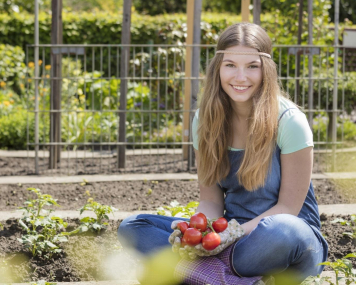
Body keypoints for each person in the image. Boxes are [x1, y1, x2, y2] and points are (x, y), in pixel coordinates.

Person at [117, 22, 328, 285]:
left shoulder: (289, 121)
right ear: (218, 68)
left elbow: (288, 209)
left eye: (252, 66)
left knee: (282, 230)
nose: (241, 77)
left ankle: (191, 273)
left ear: (267, 71)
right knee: (133, 227)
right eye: (231, 66)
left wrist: (227, 237)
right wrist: (201, 234)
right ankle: (231, 278)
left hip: (287, 243)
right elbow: (211, 201)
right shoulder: (204, 121)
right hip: (231, 239)